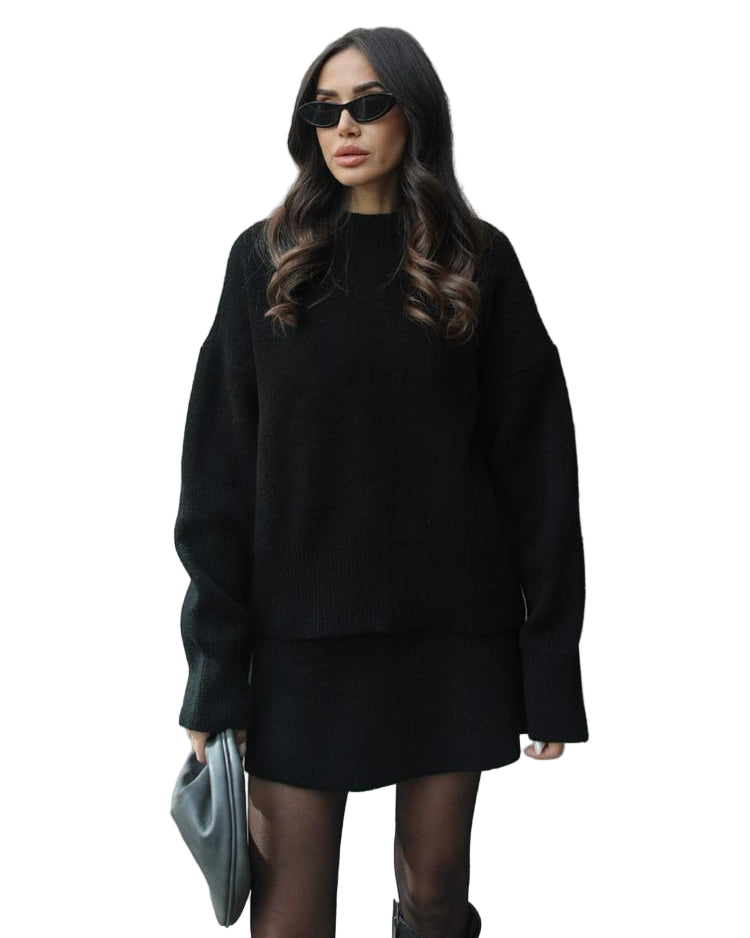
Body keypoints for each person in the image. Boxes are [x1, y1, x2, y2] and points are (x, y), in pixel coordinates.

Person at [174, 25, 589, 938]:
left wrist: (550, 667)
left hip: (451, 640)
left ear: (416, 114)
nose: (345, 128)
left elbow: (540, 477)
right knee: (288, 924)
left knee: (433, 902)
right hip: (299, 648)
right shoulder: (265, 262)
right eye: (324, 111)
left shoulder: (477, 262)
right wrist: (214, 674)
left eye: (368, 104)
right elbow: (216, 482)